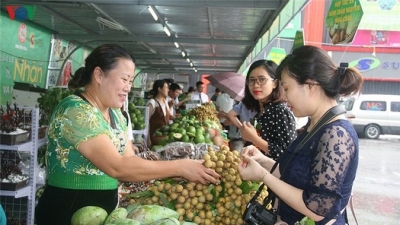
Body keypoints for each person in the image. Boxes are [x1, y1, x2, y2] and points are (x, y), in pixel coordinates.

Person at [35, 44, 219, 225]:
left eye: (130, 81)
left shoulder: (115, 114)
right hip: (69, 210)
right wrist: (179, 167)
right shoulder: (75, 110)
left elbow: (129, 162)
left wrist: (174, 169)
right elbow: (117, 167)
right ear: (99, 74)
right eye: (124, 79)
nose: (128, 88)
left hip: (105, 212)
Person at [238, 45, 363, 224]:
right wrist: (263, 161)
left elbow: (318, 208)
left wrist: (263, 176)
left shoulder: (337, 133)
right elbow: (296, 175)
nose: (285, 97)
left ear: (311, 85)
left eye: (287, 88)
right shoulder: (314, 124)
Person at [240, 60, 297, 160]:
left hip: (273, 175)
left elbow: (287, 155)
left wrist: (254, 138)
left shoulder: (281, 112)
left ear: (275, 83)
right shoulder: (260, 113)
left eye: (262, 80)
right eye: (252, 80)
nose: (256, 85)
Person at [147, 79, 171, 146]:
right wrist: (148, 138)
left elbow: (168, 116)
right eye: (166, 87)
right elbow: (146, 122)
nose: (168, 90)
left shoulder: (165, 102)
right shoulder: (152, 103)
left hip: (164, 138)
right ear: (159, 89)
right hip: (154, 138)